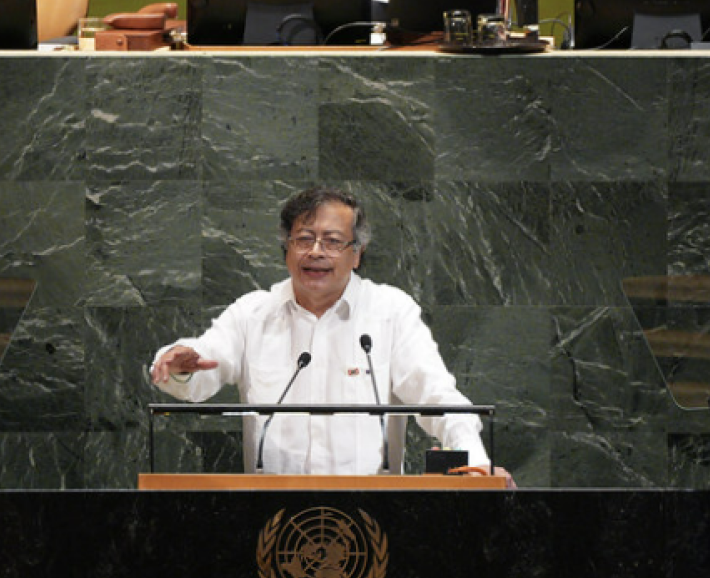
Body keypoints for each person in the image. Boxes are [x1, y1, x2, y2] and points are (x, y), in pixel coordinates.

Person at [151, 185, 512, 486]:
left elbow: (438, 397)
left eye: (332, 241)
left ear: (356, 254)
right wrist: (182, 363)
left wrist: (476, 464)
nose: (315, 252)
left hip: (374, 515)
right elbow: (205, 362)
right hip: (272, 517)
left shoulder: (390, 312)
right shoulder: (253, 313)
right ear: (287, 249)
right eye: (303, 239)